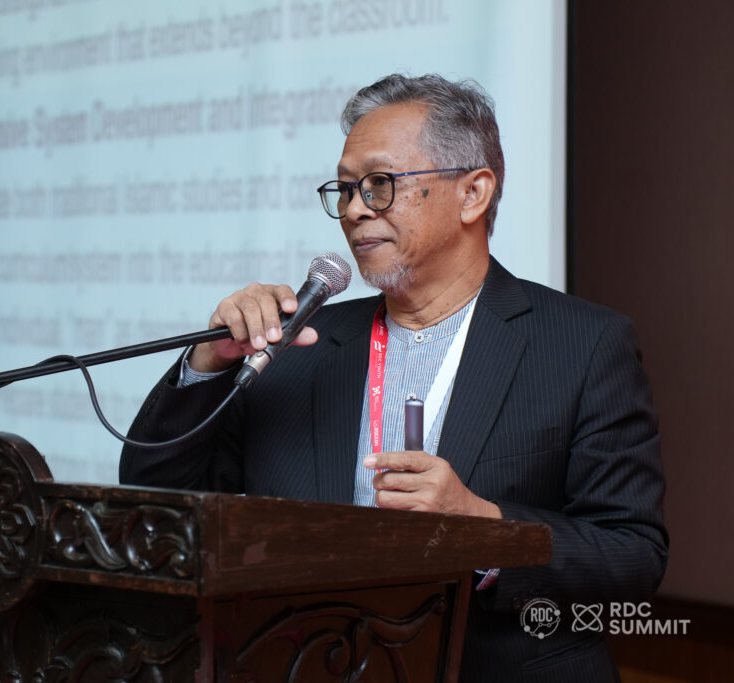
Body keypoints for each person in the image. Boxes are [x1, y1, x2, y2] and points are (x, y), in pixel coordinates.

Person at [119, 73, 667, 682]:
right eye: (345, 189)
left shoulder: (582, 345)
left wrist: (485, 529)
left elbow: (634, 557)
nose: (354, 209)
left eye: (379, 185)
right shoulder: (297, 346)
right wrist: (209, 363)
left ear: (473, 193)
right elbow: (154, 501)